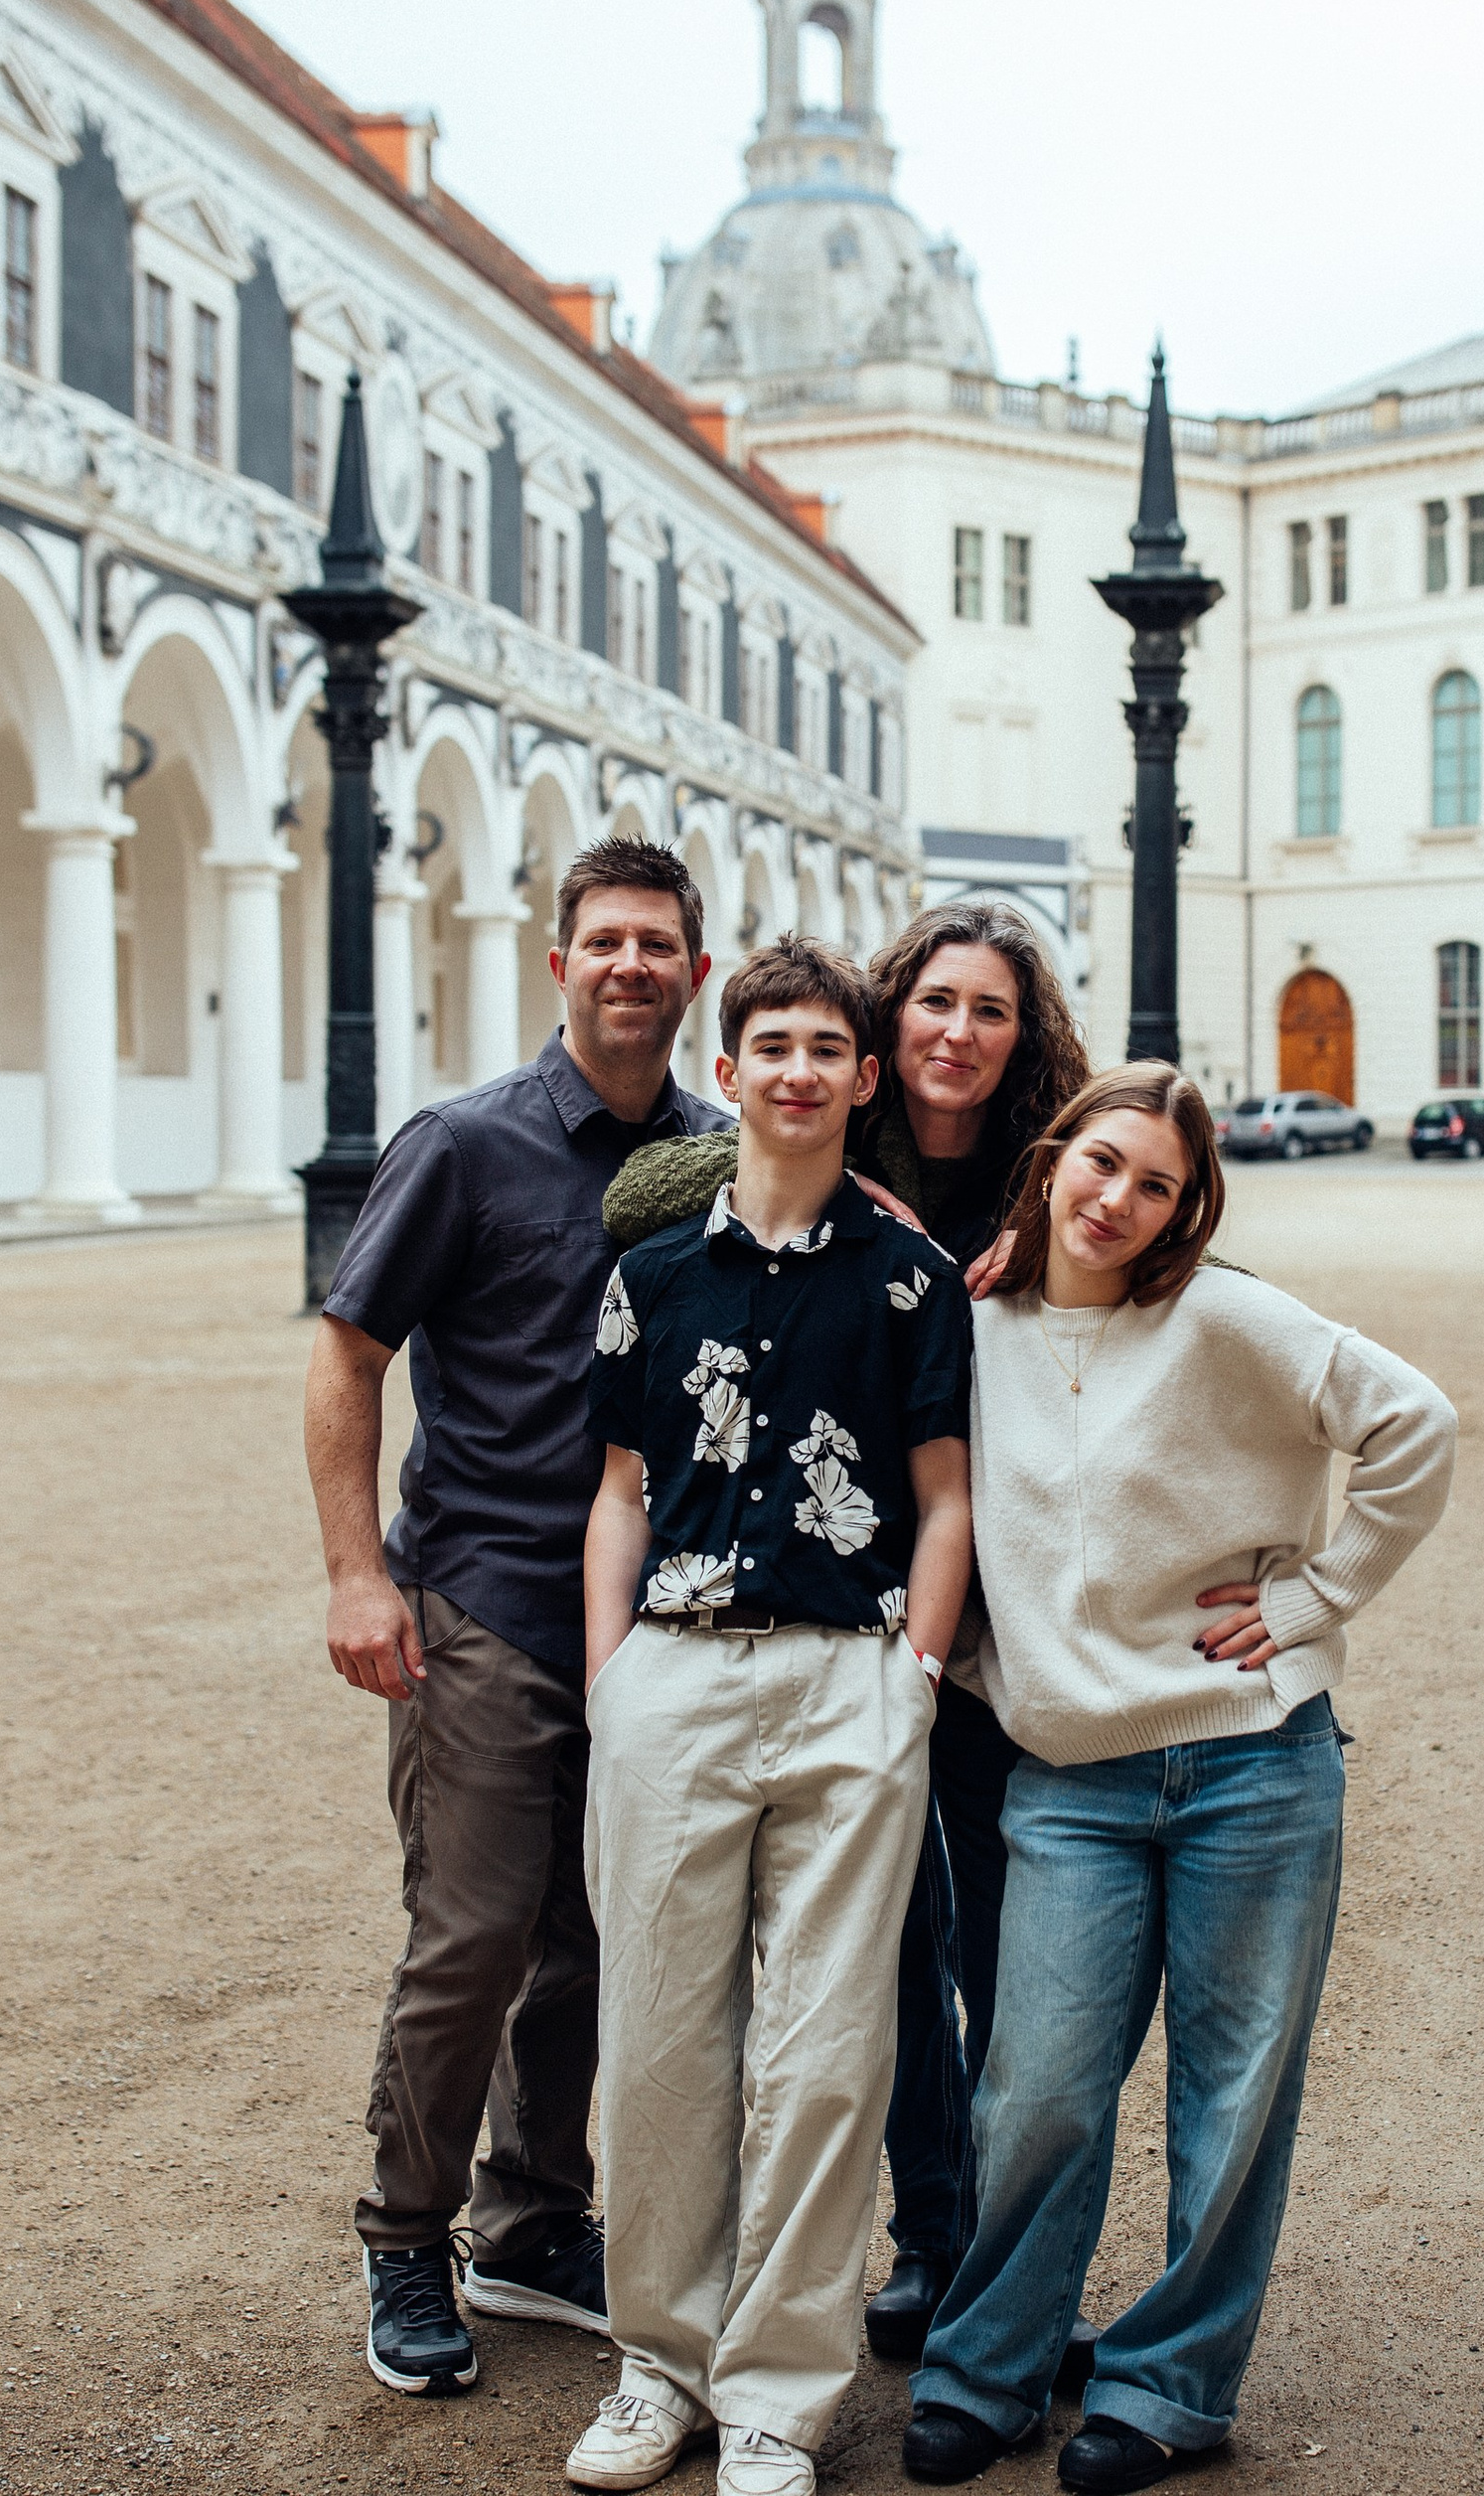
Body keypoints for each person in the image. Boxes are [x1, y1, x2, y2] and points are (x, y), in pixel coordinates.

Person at [900, 1065, 1457, 2493]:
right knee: (1035, 2090)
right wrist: (974, 1668)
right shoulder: (973, 1323)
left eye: (1154, 1185)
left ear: (1185, 1208)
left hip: (1251, 1766)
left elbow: (1414, 1424)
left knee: (1232, 2096)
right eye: (1100, 1163)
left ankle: (1168, 2389)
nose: (1117, 1200)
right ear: (1051, 1160)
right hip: (1070, 1781)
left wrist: (1317, 1596)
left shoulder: (1221, 1316)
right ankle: (990, 2368)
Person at [603, 901, 1090, 2360]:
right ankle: (929, 2238)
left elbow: (1177, 1267)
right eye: (934, 1002)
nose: (958, 1031)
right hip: (843, 1614)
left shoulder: (1057, 1172)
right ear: (892, 1034)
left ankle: (1013, 2273)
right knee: (882, 1952)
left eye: (990, 1009)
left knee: (1008, 1955)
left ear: (1023, 1037)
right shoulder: (829, 1156)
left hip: (1006, 1615)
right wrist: (842, 1193)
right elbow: (654, 1193)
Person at [307, 837, 725, 2399]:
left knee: (594, 1940)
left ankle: (536, 2221)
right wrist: (359, 1574)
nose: (630, 965)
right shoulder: (463, 1146)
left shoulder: (717, 1148)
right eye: (603, 941)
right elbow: (350, 1354)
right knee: (473, 1936)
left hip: (656, 1626)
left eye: (657, 943)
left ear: (694, 970)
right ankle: (408, 2235)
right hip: (480, 1601)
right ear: (561, 967)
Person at [567, 936, 976, 2496]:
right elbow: (614, 1495)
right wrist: (611, 1676)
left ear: (863, 1082)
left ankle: (777, 2398)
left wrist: (913, 1686)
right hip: (672, 1675)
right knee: (661, 2039)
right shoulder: (651, 1278)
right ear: (726, 1074)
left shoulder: (911, 1280)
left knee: (823, 2056)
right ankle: (657, 2365)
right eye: (774, 1046)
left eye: (829, 1049)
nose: (800, 1070)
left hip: (849, 1683)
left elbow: (946, 1504)